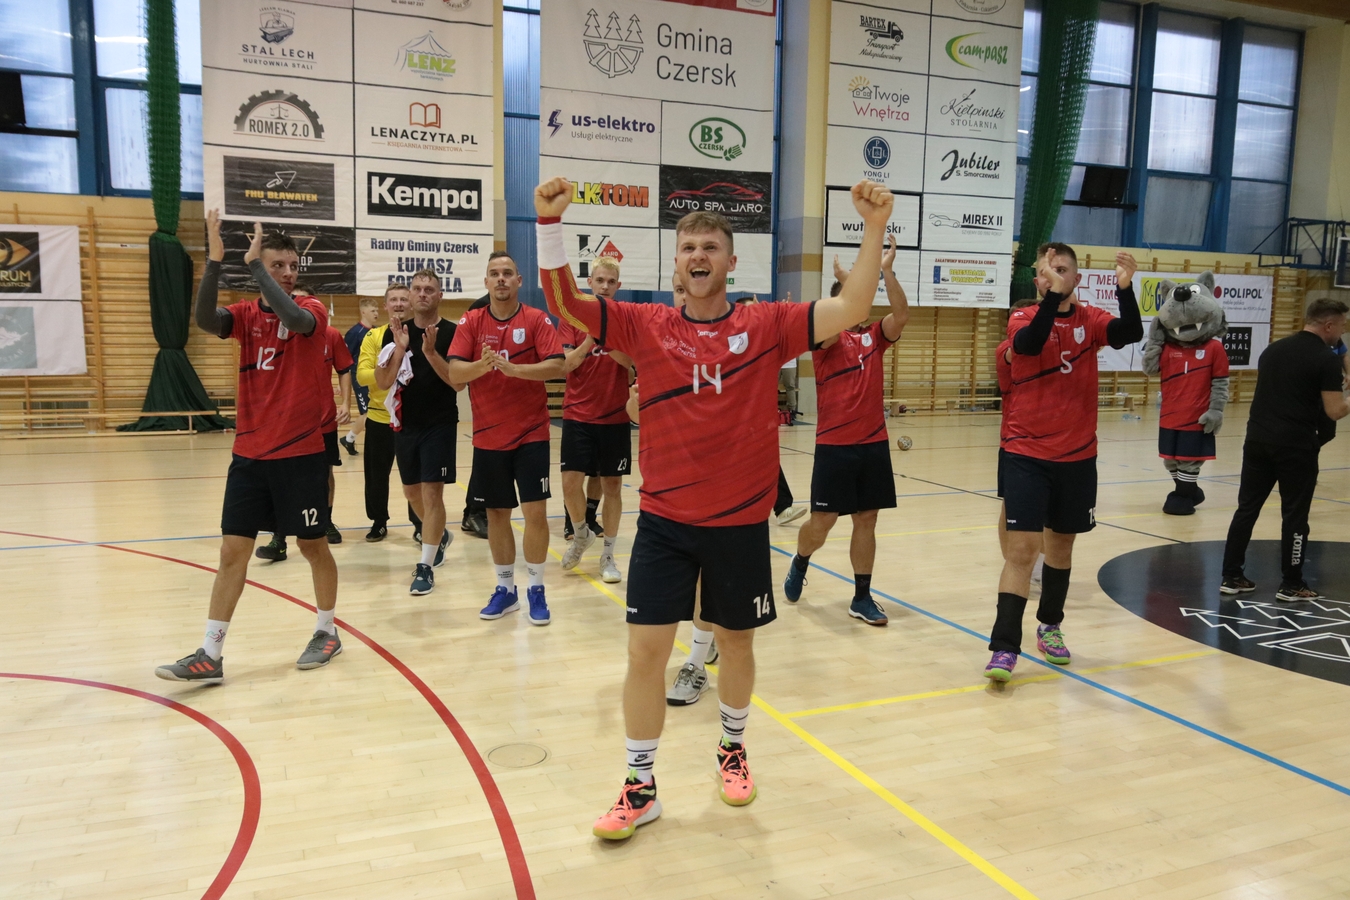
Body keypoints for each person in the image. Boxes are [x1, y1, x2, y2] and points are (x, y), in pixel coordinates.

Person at [536, 175, 894, 840]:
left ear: (730, 261)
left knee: (735, 644)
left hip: (737, 525)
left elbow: (851, 306)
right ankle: (640, 786)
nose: (697, 256)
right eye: (687, 248)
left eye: (709, 247)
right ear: (675, 264)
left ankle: (731, 747)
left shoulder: (767, 325)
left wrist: (873, 228)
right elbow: (565, 301)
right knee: (645, 652)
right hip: (664, 523)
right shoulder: (645, 325)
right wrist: (549, 224)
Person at [155, 214, 341, 683]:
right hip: (250, 456)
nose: (288, 273)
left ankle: (327, 630)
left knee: (312, 546)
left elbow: (293, 319)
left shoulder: (312, 310)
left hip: (300, 454)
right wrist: (216, 262)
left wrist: (256, 266)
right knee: (231, 552)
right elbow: (203, 320)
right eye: (278, 265)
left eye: (292, 266)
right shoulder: (244, 315)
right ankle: (210, 653)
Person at [985, 244, 1142, 683]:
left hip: (1077, 456)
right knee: (1021, 552)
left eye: (1061, 269)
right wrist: (1053, 296)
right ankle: (1004, 648)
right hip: (1026, 453)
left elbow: (1130, 332)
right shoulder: (1022, 318)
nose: (1052, 276)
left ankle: (1050, 626)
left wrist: (1125, 289)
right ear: (1037, 281)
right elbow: (1030, 343)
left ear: (1077, 278)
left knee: (1062, 548)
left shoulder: (1091, 320)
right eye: (1045, 271)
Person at [782, 236, 908, 625]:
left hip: (873, 445)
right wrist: (847, 288)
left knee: (867, 519)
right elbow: (833, 324)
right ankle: (801, 559)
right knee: (822, 523)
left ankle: (862, 597)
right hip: (835, 447)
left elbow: (901, 315)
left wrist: (884, 271)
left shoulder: (874, 337)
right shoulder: (825, 340)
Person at [447, 252, 566, 624]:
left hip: (532, 434)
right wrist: (481, 366)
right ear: (486, 282)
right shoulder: (471, 321)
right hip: (487, 437)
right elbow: (455, 375)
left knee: (535, 513)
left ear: (518, 281)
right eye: (494, 274)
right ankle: (505, 589)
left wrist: (515, 370)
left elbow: (557, 365)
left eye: (507, 273)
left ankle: (536, 588)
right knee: (497, 514)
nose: (501, 279)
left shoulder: (536, 319)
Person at [1220, 297, 1350, 600]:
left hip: (1257, 440)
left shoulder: (1273, 350)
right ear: (1328, 325)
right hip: (1295, 446)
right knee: (1295, 516)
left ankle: (1231, 575)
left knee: (1246, 509)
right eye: (1342, 325)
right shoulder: (1326, 359)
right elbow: (1334, 411)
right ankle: (1292, 583)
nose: (1342, 332)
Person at [374, 269, 462, 595]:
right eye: (417, 288)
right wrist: (400, 349)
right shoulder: (396, 332)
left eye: (429, 289)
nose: (423, 293)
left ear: (440, 296)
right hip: (405, 424)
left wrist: (430, 353)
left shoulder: (453, 333)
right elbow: (383, 382)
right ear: (410, 295)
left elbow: (458, 383)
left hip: (440, 423)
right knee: (411, 493)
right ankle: (436, 534)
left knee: (432, 493)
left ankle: (425, 565)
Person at [558, 256, 634, 584]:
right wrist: (592, 336)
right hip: (578, 414)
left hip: (615, 416)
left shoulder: (625, 319)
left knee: (612, 486)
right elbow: (567, 364)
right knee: (569, 483)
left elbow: (630, 362)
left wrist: (608, 336)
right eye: (600, 280)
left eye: (611, 282)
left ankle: (608, 555)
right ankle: (581, 534)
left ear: (618, 285)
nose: (605, 286)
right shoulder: (571, 319)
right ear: (589, 283)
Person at [255, 313, 353, 559]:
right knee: (282, 479)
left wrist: (346, 403)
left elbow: (344, 369)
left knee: (324, 474)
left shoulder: (330, 335)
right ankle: (279, 537)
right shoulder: (277, 335)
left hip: (322, 420)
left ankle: (325, 521)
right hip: (286, 423)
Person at [356, 285, 422, 542]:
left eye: (404, 299)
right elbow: (362, 376)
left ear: (412, 303)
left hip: (413, 419)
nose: (398, 304)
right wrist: (389, 369)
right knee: (376, 477)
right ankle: (378, 522)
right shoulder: (374, 337)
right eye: (393, 300)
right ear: (385, 306)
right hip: (379, 418)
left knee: (415, 477)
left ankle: (419, 524)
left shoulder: (422, 334)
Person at [341, 296, 380, 455]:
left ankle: (348, 439)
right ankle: (350, 439)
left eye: (377, 310)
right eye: (373, 310)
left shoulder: (377, 331)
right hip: (360, 379)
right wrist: (343, 383)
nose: (376, 313)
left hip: (375, 378)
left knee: (375, 411)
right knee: (368, 413)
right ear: (363, 312)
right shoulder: (354, 333)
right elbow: (345, 359)